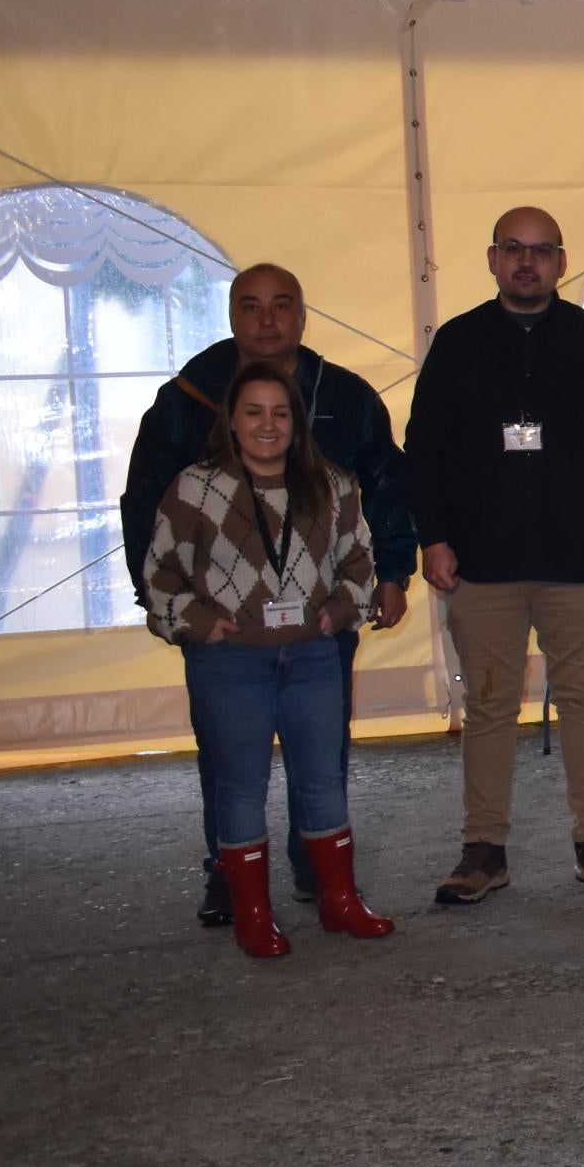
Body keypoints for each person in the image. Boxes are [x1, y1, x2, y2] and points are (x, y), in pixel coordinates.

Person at [119, 262, 414, 924]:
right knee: (231, 766)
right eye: (251, 306)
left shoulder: (345, 396)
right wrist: (176, 612)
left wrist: (389, 575)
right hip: (227, 635)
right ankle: (230, 878)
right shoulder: (186, 400)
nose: (268, 319)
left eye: (283, 305)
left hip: (315, 631)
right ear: (232, 317)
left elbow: (386, 489)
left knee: (321, 756)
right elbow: (147, 511)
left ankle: (322, 875)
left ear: (303, 316)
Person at [403, 207, 584, 905]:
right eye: (513, 248)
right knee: (487, 705)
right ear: (491, 258)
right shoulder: (456, 344)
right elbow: (423, 452)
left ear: (560, 262)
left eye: (540, 251)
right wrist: (434, 537)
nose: (526, 262)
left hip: (580, 560)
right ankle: (484, 851)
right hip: (480, 561)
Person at [142, 360, 393, 959]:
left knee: (324, 783)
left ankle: (339, 900)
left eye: (280, 413)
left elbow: (360, 562)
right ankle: (252, 913)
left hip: (311, 658)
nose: (267, 424)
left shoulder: (331, 484)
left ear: (297, 421)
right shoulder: (193, 490)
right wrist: (201, 623)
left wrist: (340, 610)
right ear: (231, 420)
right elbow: (158, 576)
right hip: (230, 664)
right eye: (253, 412)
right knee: (239, 788)